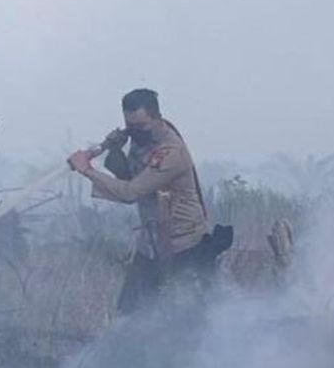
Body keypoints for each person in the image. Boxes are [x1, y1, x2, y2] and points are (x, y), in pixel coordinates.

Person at [68, 88, 228, 314]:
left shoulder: (170, 152)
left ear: (156, 117)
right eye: (130, 125)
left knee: (189, 319)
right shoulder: (141, 140)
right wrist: (114, 150)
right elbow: (127, 177)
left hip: (184, 245)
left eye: (141, 126)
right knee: (130, 313)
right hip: (151, 244)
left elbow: (131, 192)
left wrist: (87, 170)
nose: (135, 132)